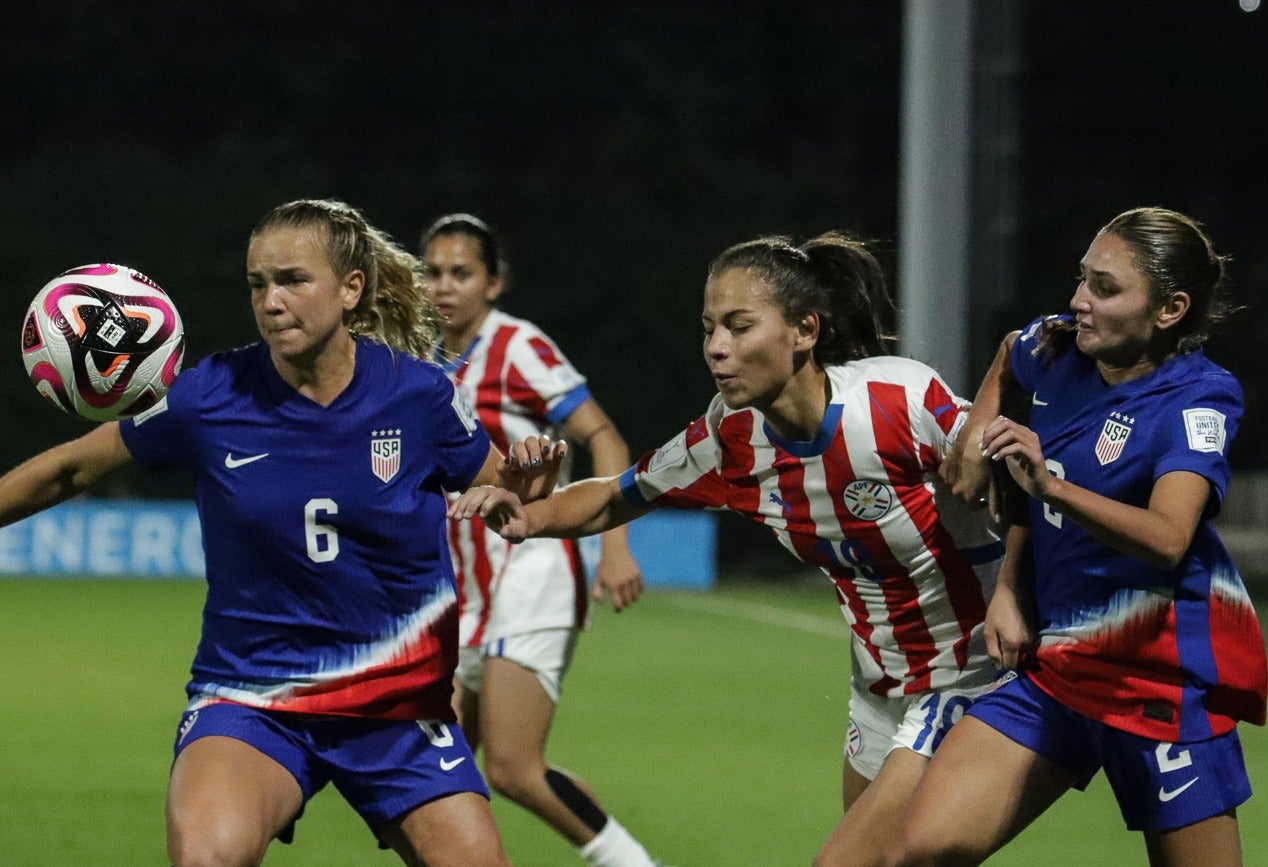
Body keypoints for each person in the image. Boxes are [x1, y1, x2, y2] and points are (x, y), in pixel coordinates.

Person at [0, 199, 562, 867]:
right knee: (208, 857)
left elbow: (507, 495)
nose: (271, 301)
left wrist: (523, 489)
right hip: (253, 696)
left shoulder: (420, 396)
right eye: (258, 284)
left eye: (293, 280)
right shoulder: (210, 396)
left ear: (351, 289)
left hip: (397, 704)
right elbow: (69, 468)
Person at [450, 232, 1007, 866]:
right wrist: (529, 514)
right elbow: (616, 494)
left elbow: (1007, 461)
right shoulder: (731, 435)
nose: (717, 348)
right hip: (879, 687)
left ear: (804, 330)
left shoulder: (896, 400)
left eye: (740, 327)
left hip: (968, 671)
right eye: (710, 328)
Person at [896, 207, 1268, 866]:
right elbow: (1012, 351)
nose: (1078, 301)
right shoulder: (1058, 349)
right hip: (1060, 668)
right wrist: (978, 437)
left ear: (1170, 308)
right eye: (1081, 280)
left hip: (1160, 680)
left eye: (1104, 287)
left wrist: (1052, 488)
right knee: (921, 850)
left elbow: (1168, 537)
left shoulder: (1199, 399)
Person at [418, 213, 659, 867]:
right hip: (457, 588)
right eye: (433, 271)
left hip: (531, 573)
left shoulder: (518, 346)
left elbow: (602, 434)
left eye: (461, 272)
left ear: (494, 283)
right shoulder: (418, 357)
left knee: (514, 767)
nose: (444, 286)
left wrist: (614, 543)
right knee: (428, 777)